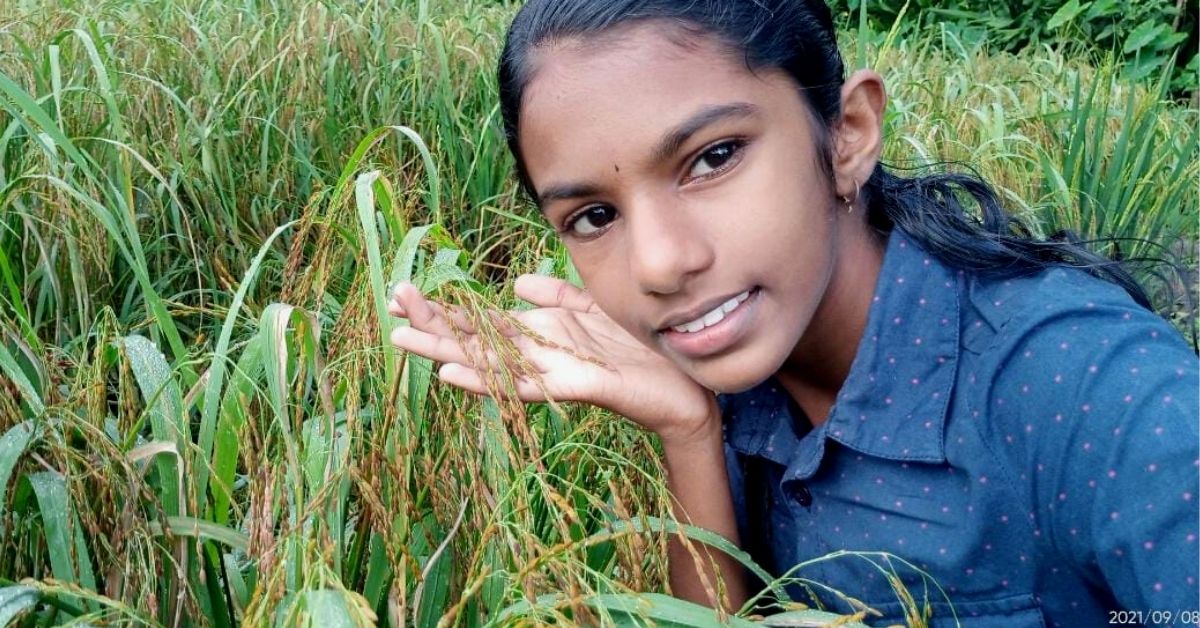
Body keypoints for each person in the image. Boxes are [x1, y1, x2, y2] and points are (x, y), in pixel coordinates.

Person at [386, 0, 1200, 625]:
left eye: (712, 159)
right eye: (594, 217)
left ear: (847, 134)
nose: (661, 264)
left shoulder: (1106, 401)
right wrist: (688, 434)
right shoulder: (728, 362)